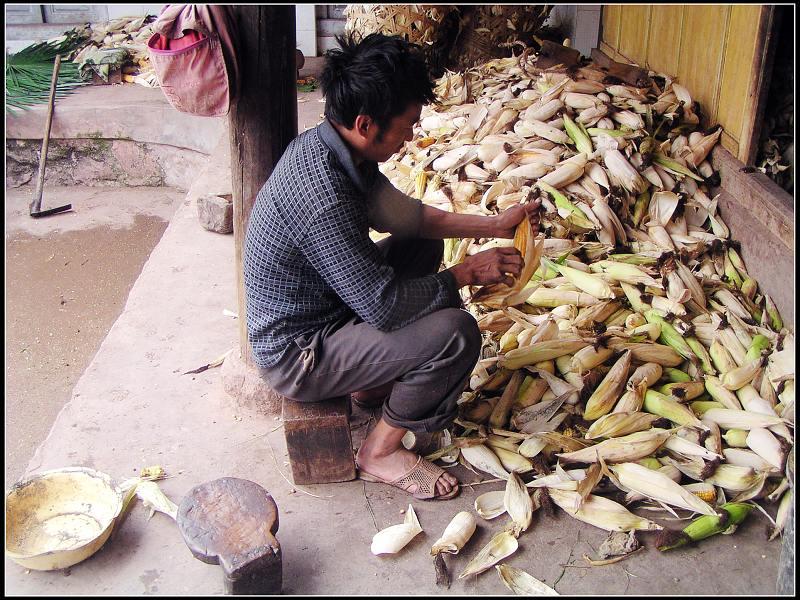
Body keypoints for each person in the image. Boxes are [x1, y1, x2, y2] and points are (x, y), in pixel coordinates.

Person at [243, 32, 541, 500]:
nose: (410, 138)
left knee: (420, 248)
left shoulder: (337, 150)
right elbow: (384, 307)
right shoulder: (321, 192)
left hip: (330, 309)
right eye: (406, 127)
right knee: (457, 334)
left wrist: (497, 225)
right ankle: (379, 451)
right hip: (299, 354)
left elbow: (414, 219)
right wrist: (465, 274)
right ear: (366, 123)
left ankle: (371, 386)